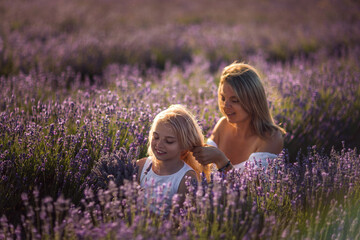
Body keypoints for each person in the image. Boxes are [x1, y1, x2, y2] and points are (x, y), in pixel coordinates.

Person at [192, 62, 285, 173]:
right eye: (223, 98)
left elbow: (252, 187)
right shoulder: (223, 125)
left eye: (234, 100)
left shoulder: (271, 138)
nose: (226, 106)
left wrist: (221, 160)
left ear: (253, 101)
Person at [136, 104, 211, 212]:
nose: (159, 144)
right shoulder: (141, 166)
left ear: (184, 145)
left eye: (169, 141)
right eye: (156, 137)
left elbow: (179, 219)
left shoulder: (186, 178)